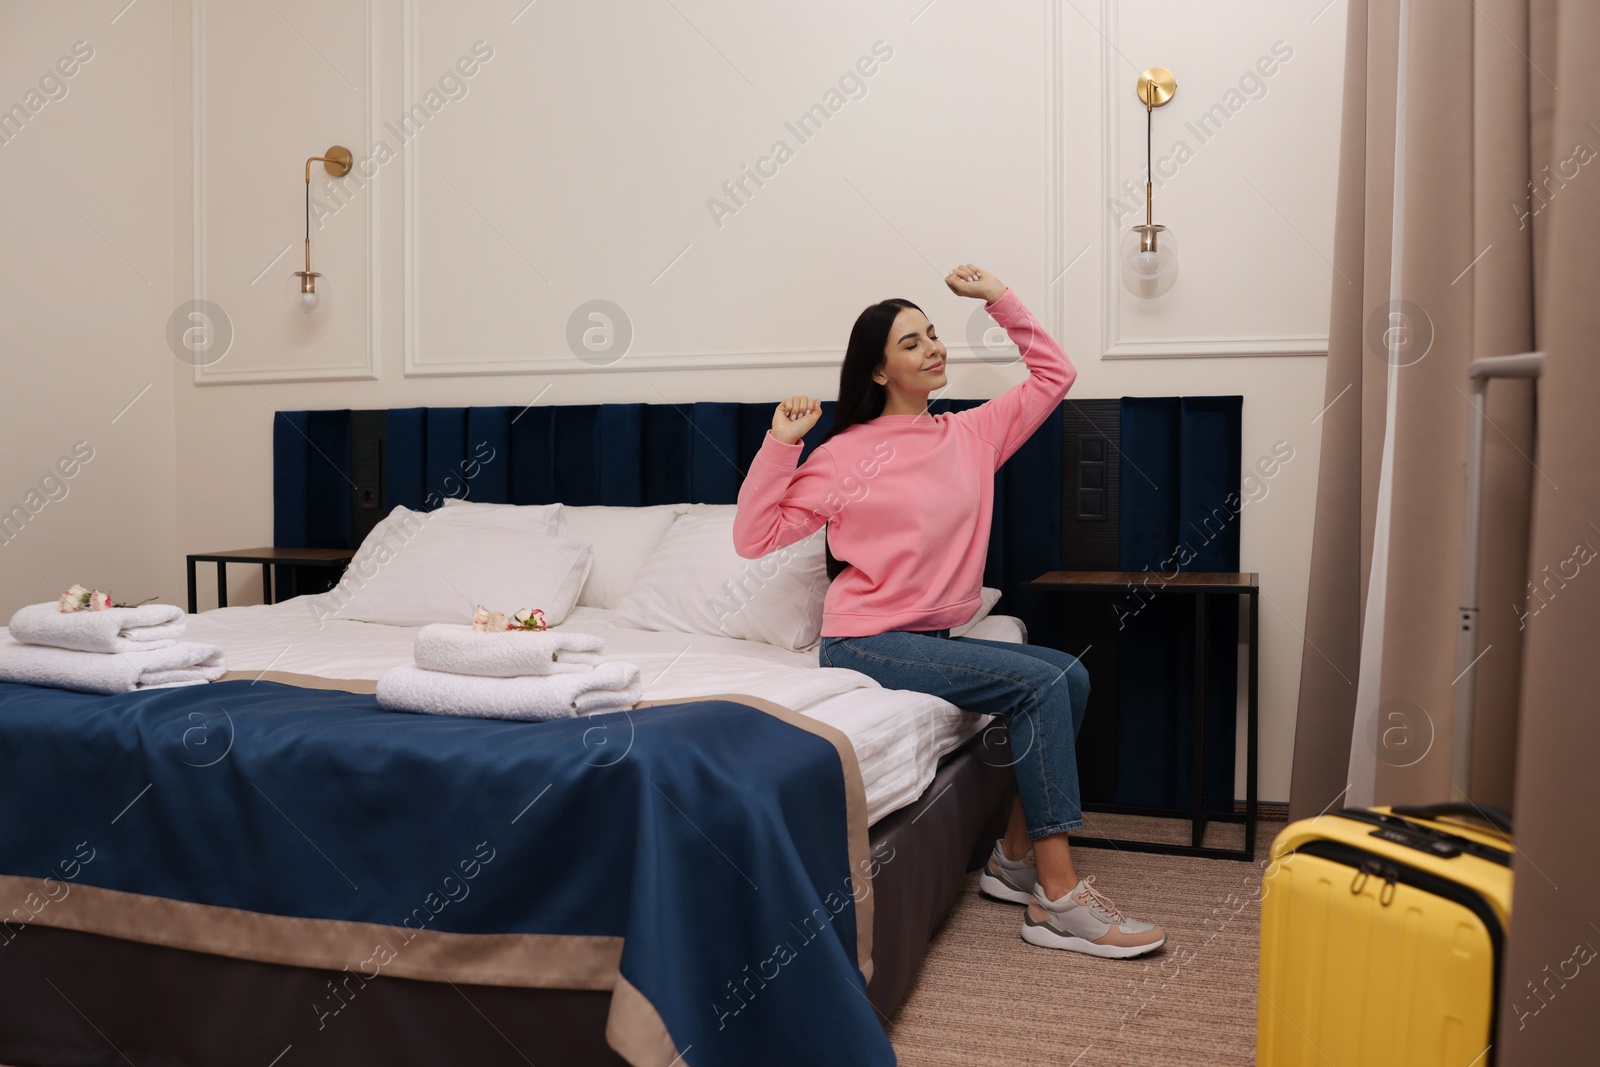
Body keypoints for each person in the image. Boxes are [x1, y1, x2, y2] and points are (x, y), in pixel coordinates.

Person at [732, 264, 1166, 958]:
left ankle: (1014, 858)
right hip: (864, 641)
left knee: (1071, 676)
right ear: (877, 370)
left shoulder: (972, 434)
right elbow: (753, 536)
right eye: (912, 342)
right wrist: (781, 445)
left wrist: (1000, 300)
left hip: (933, 634)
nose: (934, 347)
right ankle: (1055, 898)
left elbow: (1055, 374)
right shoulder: (843, 455)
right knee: (1046, 681)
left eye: (933, 334)